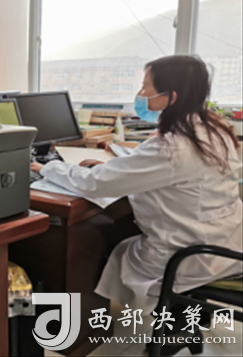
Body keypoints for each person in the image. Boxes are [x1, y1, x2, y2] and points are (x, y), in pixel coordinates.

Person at [31, 55, 243, 316]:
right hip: (225, 242)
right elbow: (166, 169)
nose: (141, 94)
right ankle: (180, 312)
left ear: (171, 97)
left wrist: (48, 168)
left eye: (146, 87)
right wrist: (121, 166)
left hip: (188, 255)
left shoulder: (172, 147)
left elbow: (95, 184)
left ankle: (168, 313)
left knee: (104, 248)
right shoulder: (213, 130)